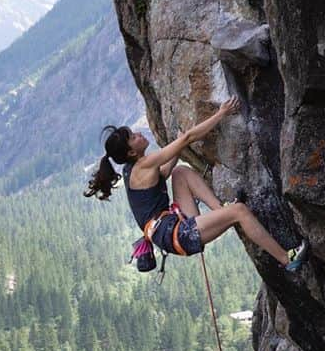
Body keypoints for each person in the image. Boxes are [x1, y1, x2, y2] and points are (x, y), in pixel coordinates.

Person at [84, 97, 309, 271]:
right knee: (240, 211)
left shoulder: (132, 169)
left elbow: (166, 170)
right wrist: (221, 113)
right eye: (134, 137)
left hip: (169, 230)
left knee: (180, 172)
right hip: (178, 235)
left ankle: (220, 212)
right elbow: (189, 138)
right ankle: (286, 259)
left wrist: (178, 143)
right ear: (132, 151)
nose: (139, 134)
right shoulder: (144, 165)